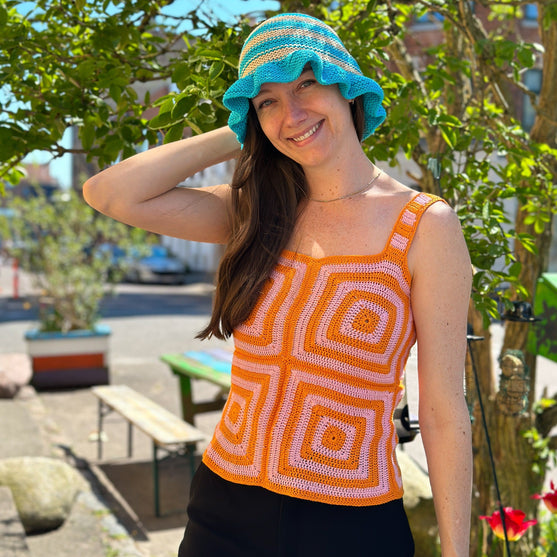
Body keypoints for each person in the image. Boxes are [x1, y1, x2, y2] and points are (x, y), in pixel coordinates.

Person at [84, 12, 472, 557]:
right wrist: (241, 126)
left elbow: (442, 409)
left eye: (306, 83)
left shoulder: (425, 225)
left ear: (346, 85)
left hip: (351, 522)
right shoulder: (256, 210)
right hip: (223, 508)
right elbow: (109, 194)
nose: (292, 113)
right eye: (268, 100)